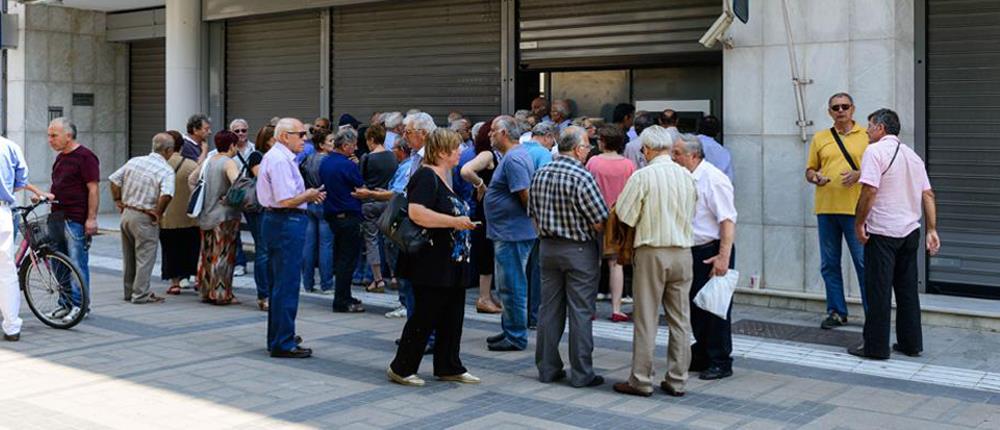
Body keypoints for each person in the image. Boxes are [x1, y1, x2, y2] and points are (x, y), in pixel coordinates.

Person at [387, 128, 479, 387]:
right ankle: (402, 367)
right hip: (431, 261)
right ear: (441, 152)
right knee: (425, 315)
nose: (461, 151)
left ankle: (449, 365)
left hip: (451, 260)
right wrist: (455, 221)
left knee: (452, 316)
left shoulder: (445, 174)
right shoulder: (426, 176)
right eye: (456, 147)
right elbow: (417, 213)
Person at [612, 126, 697, 398]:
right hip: (683, 252)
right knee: (681, 320)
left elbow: (625, 214)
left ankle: (641, 380)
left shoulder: (643, 176)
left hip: (652, 250)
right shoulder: (686, 175)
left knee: (647, 318)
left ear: (647, 149)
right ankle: (677, 380)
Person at [849, 108, 939, 360]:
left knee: (878, 290)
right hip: (911, 233)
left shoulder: (874, 152)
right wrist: (932, 229)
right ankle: (911, 344)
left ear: (880, 128)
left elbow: (868, 191)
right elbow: (928, 194)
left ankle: (875, 348)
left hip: (882, 232)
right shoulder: (913, 156)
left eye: (869, 126)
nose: (866, 131)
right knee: (907, 290)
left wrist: (859, 223)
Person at [528, 126, 608, 388]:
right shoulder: (582, 176)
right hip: (579, 250)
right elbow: (599, 219)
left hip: (548, 247)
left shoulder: (540, 172)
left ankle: (547, 368)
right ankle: (582, 373)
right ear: (576, 149)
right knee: (580, 312)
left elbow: (533, 213)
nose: (588, 151)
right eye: (586, 147)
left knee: (548, 310)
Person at [257, 118, 326, 358]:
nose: (304, 138)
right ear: (285, 136)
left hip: (281, 220)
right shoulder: (279, 160)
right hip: (285, 220)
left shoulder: (280, 157)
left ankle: (279, 336)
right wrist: (307, 194)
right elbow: (286, 199)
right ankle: (283, 341)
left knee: (280, 284)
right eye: (300, 134)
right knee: (285, 284)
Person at [671, 134, 737, 380]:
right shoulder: (684, 177)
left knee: (715, 308)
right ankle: (701, 353)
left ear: (693, 155)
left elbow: (728, 220)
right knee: (695, 306)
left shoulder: (713, 179)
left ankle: (720, 360)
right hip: (691, 249)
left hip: (711, 249)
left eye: (677, 153)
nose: (673, 157)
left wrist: (723, 257)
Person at [806, 93, 868, 330]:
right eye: (835, 108)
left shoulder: (866, 136)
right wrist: (815, 177)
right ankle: (836, 311)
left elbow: (880, 169)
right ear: (829, 112)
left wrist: (859, 174)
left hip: (856, 209)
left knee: (863, 263)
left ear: (853, 109)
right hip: (826, 208)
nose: (840, 111)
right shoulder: (821, 138)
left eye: (844, 107)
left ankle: (872, 313)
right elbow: (810, 169)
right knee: (829, 263)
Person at [484, 116, 537, 352]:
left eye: (493, 130)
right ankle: (510, 329)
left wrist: (532, 219)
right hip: (508, 231)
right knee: (507, 284)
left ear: (504, 132)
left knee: (512, 284)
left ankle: (515, 335)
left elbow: (524, 194)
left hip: (513, 233)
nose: (489, 134)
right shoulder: (514, 156)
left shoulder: (514, 158)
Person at [42, 117, 99, 320]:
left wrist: (91, 219)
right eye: (49, 135)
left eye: (53, 135)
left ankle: (79, 305)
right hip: (56, 217)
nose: (50, 140)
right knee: (58, 262)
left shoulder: (85, 157)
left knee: (77, 262)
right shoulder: (60, 158)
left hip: (75, 218)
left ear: (68, 135)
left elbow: (93, 189)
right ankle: (65, 303)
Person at [109, 133, 176, 305]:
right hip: (145, 216)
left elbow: (114, 179)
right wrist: (158, 212)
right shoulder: (166, 170)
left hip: (127, 213)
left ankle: (129, 291)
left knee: (129, 255)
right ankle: (140, 295)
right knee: (145, 257)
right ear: (168, 150)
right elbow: (167, 194)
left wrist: (118, 200)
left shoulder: (135, 161)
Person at [586, 126, 637, 322]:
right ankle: (616, 309)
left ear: (604, 142)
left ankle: (590, 308)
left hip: (595, 218)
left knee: (593, 264)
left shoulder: (594, 162)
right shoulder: (628, 165)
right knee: (616, 265)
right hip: (620, 219)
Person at [188, 130, 243, 305]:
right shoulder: (229, 163)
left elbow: (191, 179)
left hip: (206, 215)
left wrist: (203, 199)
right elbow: (238, 185)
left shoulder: (208, 161)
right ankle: (221, 294)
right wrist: (229, 199)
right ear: (232, 145)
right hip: (224, 216)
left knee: (207, 255)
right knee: (223, 256)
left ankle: (205, 291)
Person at [319, 128, 367, 313]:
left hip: (333, 215)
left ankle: (344, 295)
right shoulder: (347, 165)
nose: (355, 149)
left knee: (341, 258)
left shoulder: (326, 162)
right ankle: (342, 300)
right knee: (348, 260)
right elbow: (360, 186)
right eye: (353, 145)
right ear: (345, 146)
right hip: (348, 215)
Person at [459, 118, 501, 314]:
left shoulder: (485, 153)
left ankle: (487, 296)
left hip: (484, 210)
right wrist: (480, 184)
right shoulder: (487, 154)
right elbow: (466, 171)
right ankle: (484, 297)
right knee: (486, 253)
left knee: (487, 252)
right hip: (484, 212)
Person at [1, 134, 34, 341]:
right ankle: (12, 326)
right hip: (2, 211)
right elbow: (21, 182)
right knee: (6, 270)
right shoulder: (9, 147)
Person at [159, 131, 200, 296]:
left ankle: (174, 283)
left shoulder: (160, 165)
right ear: (182, 146)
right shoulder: (191, 165)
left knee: (170, 249)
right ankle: (192, 277)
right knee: (191, 248)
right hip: (189, 217)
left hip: (167, 216)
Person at [359, 125, 398, 293]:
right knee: (391, 241)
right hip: (389, 202)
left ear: (372, 140)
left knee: (372, 241)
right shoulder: (392, 156)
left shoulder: (367, 158)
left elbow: (360, 179)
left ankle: (378, 279)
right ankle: (395, 275)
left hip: (370, 202)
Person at [299, 128, 335, 295]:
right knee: (325, 245)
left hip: (309, 202)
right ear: (321, 144)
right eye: (330, 141)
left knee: (309, 244)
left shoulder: (307, 159)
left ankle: (307, 282)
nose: (334, 144)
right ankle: (326, 284)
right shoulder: (329, 161)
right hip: (325, 202)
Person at [246, 125, 276, 311]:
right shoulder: (257, 156)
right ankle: (263, 294)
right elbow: (264, 178)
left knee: (268, 250)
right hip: (258, 209)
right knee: (263, 250)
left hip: (270, 207)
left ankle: (269, 291)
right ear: (268, 140)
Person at [224, 118, 256, 277]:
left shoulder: (255, 149)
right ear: (231, 133)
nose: (241, 134)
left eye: (244, 130)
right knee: (234, 231)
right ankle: (239, 263)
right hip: (234, 195)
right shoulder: (227, 152)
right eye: (237, 131)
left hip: (251, 196)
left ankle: (262, 261)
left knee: (257, 229)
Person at [696, 115, 734, 181]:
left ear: (698, 127)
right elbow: (728, 178)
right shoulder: (723, 152)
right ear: (717, 131)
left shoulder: (687, 145)